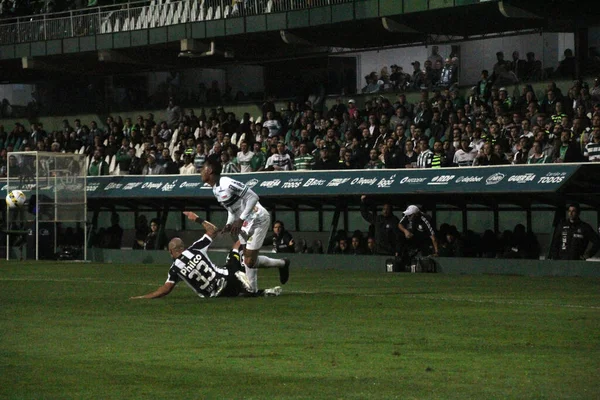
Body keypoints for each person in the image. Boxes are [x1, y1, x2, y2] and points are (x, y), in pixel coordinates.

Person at [130, 213, 281, 299]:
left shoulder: (174, 269)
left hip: (214, 295)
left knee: (238, 284)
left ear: (171, 252)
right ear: (183, 247)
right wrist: (196, 218)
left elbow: (165, 289)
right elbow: (213, 230)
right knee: (238, 246)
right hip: (227, 279)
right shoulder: (195, 249)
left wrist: (142, 297)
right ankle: (257, 271)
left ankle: (253, 286)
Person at [200, 157, 290, 292]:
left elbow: (253, 197)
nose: (201, 171)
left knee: (248, 261)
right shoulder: (215, 189)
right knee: (247, 258)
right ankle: (252, 289)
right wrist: (230, 223)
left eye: (203, 168)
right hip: (243, 223)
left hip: (258, 219)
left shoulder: (227, 183)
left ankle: (282, 264)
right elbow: (232, 209)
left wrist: (240, 219)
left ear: (210, 170)